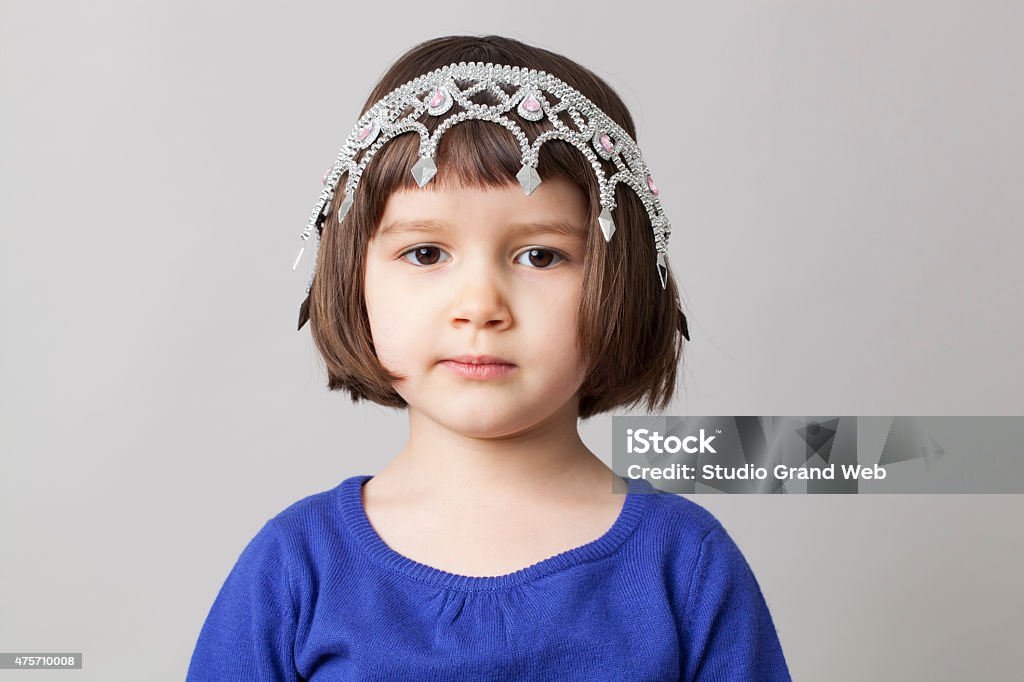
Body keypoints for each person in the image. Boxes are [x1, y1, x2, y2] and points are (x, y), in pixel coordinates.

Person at [187, 34, 791, 681]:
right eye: (426, 253)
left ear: (621, 281)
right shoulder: (294, 568)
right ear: (353, 277)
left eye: (540, 255)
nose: (479, 305)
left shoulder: (686, 567)